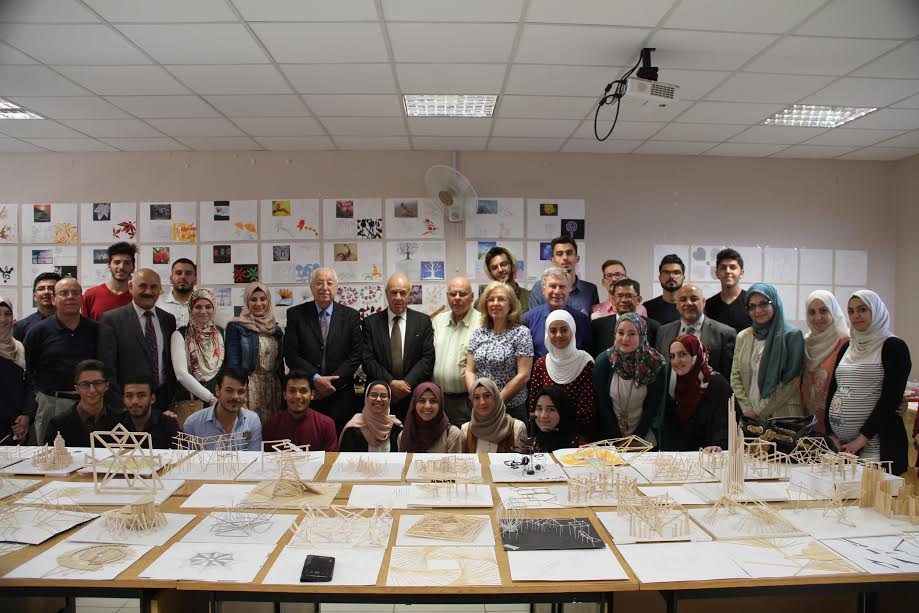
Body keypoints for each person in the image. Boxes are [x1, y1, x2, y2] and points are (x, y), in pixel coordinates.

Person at [826, 290, 911, 474]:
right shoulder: (847, 347)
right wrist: (831, 434)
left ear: (876, 311)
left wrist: (861, 440)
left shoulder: (894, 347)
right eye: (851, 311)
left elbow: (890, 399)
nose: (855, 315)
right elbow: (834, 390)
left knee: (874, 491)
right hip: (844, 446)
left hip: (878, 445)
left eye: (862, 309)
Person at [25, 277, 113, 444]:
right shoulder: (38, 331)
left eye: (75, 293)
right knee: (50, 453)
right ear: (54, 299)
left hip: (92, 402)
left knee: (94, 452)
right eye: (64, 293)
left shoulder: (96, 330)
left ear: (82, 298)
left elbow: (107, 366)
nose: (70, 297)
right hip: (52, 403)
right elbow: (29, 370)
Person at [284, 268, 362, 433]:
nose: (324, 287)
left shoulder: (351, 316)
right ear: (311, 287)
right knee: (307, 440)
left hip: (341, 395)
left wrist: (329, 384)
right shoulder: (296, 314)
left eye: (329, 283)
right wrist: (316, 379)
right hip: (307, 394)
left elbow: (355, 356)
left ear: (336, 287)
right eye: (319, 283)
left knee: (340, 442)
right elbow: (291, 355)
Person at [99, 268, 177, 414]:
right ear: (130, 287)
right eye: (142, 286)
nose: (148, 291)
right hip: (128, 404)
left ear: (160, 290)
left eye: (154, 287)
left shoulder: (168, 320)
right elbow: (107, 368)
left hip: (163, 403)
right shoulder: (112, 320)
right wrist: (119, 406)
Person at [361, 273, 435, 421]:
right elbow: (367, 360)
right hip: (380, 397)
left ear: (410, 295)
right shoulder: (370, 323)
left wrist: (406, 384)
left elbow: (427, 358)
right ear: (386, 294)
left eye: (403, 293)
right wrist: (391, 383)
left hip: (414, 396)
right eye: (393, 292)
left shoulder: (423, 321)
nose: (398, 297)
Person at [730, 283, 804, 420]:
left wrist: (758, 411)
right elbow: (735, 376)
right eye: (752, 306)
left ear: (774, 303)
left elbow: (791, 382)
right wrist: (747, 410)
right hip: (750, 416)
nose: (758, 311)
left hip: (782, 415)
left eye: (763, 304)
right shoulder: (743, 337)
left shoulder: (791, 336)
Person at [592, 313, 667, 445]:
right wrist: (617, 439)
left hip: (644, 437)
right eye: (620, 333)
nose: (625, 339)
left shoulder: (655, 363)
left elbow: (652, 408)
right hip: (611, 438)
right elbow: (603, 406)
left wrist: (635, 439)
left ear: (642, 335)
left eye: (632, 334)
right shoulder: (603, 362)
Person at [465, 281, 534, 422]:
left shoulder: (521, 333)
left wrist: (495, 402)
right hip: (481, 408)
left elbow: (523, 375)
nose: (495, 303)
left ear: (511, 304)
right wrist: (478, 399)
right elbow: (470, 371)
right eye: (491, 300)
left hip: (512, 409)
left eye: (501, 299)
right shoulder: (479, 332)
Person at [527, 310, 595, 445]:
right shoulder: (541, 364)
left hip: (576, 438)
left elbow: (587, 410)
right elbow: (534, 404)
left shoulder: (585, 362)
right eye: (553, 331)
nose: (558, 335)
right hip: (545, 435)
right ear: (547, 334)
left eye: (564, 330)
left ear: (572, 331)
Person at [225, 282, 284, 422]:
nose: (258, 303)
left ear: (269, 301)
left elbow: (279, 366)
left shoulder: (276, 330)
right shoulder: (236, 327)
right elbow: (233, 366)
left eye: (263, 299)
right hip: (248, 389)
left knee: (272, 429)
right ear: (247, 301)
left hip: (273, 389)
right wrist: (238, 395)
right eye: (253, 299)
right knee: (249, 429)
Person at [662, 335, 732, 452]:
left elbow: (725, 422)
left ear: (696, 355)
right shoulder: (679, 385)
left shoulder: (716, 383)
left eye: (682, 354)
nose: (676, 361)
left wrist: (718, 445)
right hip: (688, 455)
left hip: (713, 454)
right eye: (672, 356)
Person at [656, 284, 736, 377]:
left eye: (694, 299)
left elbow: (728, 375)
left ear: (704, 302)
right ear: (677, 305)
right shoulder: (663, 332)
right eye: (683, 299)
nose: (688, 303)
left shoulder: (724, 333)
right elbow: (660, 370)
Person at [432, 276, 481, 426]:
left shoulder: (483, 323)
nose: (457, 298)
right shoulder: (438, 321)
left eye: (462, 294)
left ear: (472, 296)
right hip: (438, 399)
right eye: (453, 294)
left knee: (465, 439)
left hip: (467, 401)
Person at [800, 290, 849, 433]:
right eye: (812, 312)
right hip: (806, 422)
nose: (818, 317)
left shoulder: (846, 343)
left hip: (835, 426)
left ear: (833, 312)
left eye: (823, 311)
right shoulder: (806, 342)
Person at [182, 366, 263, 451]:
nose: (235, 397)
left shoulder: (252, 421)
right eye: (229, 390)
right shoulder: (193, 424)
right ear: (217, 390)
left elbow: (254, 457)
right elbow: (189, 459)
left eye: (241, 392)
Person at [44, 360, 120, 447]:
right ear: (77, 388)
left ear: (106, 386)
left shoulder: (120, 421)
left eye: (97, 383)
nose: (92, 390)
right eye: (85, 384)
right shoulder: (58, 424)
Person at [523, 267, 593, 358]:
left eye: (562, 287)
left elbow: (589, 356)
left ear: (569, 290)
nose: (557, 291)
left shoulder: (582, 320)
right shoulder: (527, 320)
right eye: (552, 286)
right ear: (543, 290)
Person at [170, 289, 224, 406]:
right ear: (191, 308)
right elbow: (181, 374)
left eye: (208, 307)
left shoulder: (221, 333)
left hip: (220, 399)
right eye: (198, 307)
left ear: (214, 308)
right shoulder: (179, 335)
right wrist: (210, 399)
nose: (203, 311)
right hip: (191, 401)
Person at [262, 370, 339, 452]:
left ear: (312, 394)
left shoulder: (326, 425)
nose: (297, 396)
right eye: (292, 391)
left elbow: (330, 459)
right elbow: (266, 458)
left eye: (303, 391)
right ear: (284, 395)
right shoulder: (271, 424)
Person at [530, 237, 599, 316]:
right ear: (553, 260)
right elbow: (535, 318)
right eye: (559, 254)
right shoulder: (539, 287)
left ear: (577, 258)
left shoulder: (590, 290)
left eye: (569, 253)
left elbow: (594, 321)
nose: (565, 258)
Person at [592, 278, 660, 353]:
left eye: (629, 296)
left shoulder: (654, 327)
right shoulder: (597, 326)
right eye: (619, 296)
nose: (624, 300)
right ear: (613, 300)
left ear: (638, 300)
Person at [461, 377, 527, 453]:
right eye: (476, 397)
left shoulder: (517, 428)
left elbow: (521, 460)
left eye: (487, 396)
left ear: (496, 397)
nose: (482, 402)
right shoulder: (466, 430)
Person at [398, 382, 463, 453]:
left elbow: (455, 460)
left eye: (433, 401)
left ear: (440, 404)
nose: (427, 406)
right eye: (422, 401)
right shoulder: (404, 435)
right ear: (414, 404)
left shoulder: (452, 434)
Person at [1, 298, 32, 443]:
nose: (3, 319)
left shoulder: (19, 348)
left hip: (15, 427)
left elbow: (29, 384)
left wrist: (26, 416)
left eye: (7, 314)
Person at [339, 381, 402, 452]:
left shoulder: (396, 427)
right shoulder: (353, 428)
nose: (378, 399)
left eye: (383, 396)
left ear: (389, 400)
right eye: (374, 395)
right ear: (366, 398)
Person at [81, 241, 136, 321]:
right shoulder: (90, 295)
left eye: (127, 263)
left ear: (133, 267)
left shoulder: (138, 296)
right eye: (117, 262)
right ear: (109, 265)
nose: (121, 267)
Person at [120, 376, 179, 449]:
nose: (134, 401)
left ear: (152, 399)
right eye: (129, 396)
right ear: (123, 399)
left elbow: (181, 454)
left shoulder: (168, 425)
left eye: (141, 396)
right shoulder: (113, 424)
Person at [705, 248, 753, 333]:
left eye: (732, 267)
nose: (727, 271)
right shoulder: (707, 306)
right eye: (723, 268)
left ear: (741, 273)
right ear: (717, 273)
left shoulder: (752, 302)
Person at [13, 272, 60, 342]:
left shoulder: (70, 323)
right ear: (35, 296)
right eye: (41, 289)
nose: (46, 292)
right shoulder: (21, 327)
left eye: (51, 288)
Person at [530, 386, 579, 453]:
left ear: (563, 412)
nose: (543, 416)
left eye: (551, 409)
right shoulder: (533, 443)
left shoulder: (578, 448)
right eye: (539, 408)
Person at [483, 246, 530, 313]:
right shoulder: (483, 302)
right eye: (494, 267)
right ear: (490, 273)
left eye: (504, 264)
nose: (500, 270)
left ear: (512, 266)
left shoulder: (529, 298)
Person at [643, 254, 685, 325]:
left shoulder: (692, 307)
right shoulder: (647, 308)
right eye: (666, 272)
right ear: (660, 278)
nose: (671, 276)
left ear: (683, 277)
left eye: (676, 272)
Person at [157, 258, 197, 329]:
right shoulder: (158, 303)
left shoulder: (206, 305)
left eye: (188, 273)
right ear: (171, 279)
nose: (183, 277)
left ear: (195, 279)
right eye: (178, 273)